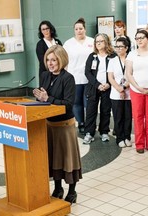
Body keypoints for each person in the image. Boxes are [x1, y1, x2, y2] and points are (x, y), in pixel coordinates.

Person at [33, 45, 81, 204]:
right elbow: (44, 98)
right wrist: (39, 97)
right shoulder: (45, 75)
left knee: (67, 159)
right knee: (54, 159)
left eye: (54, 60)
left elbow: (68, 104)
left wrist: (47, 99)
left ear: (61, 60)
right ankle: (58, 188)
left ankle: (72, 191)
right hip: (49, 124)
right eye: (48, 60)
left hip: (64, 125)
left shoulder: (68, 78)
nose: (50, 63)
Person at [83, 33, 117, 144]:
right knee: (91, 110)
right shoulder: (92, 56)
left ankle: (104, 132)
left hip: (108, 87)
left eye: (101, 41)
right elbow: (87, 73)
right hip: (94, 87)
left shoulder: (113, 56)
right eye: (97, 41)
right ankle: (89, 133)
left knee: (105, 110)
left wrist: (108, 84)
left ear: (106, 42)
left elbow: (116, 72)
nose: (98, 43)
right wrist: (97, 84)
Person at [63, 18, 94, 134]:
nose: (79, 31)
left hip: (89, 78)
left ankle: (90, 123)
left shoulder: (92, 41)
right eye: (76, 29)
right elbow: (64, 60)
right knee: (77, 102)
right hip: (74, 77)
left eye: (81, 28)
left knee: (89, 102)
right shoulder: (68, 43)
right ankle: (81, 122)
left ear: (85, 29)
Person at [107, 37, 132, 148]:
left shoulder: (131, 60)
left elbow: (133, 76)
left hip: (129, 93)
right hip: (116, 93)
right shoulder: (112, 61)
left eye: (120, 46)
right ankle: (120, 138)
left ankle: (127, 137)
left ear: (126, 48)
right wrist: (119, 89)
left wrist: (124, 87)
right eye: (116, 46)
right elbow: (110, 77)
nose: (118, 48)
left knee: (128, 117)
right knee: (118, 117)